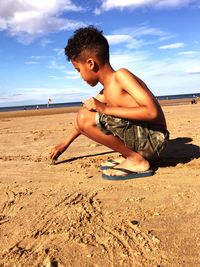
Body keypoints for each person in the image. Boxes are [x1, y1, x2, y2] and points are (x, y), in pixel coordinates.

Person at [50, 26, 169, 180]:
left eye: (78, 70)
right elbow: (83, 120)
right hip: (145, 141)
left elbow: (152, 112)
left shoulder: (121, 76)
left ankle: (136, 160)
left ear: (91, 63)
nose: (80, 76)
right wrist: (64, 143)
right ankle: (130, 155)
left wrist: (105, 109)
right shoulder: (106, 91)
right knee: (85, 115)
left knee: (89, 115)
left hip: (155, 141)